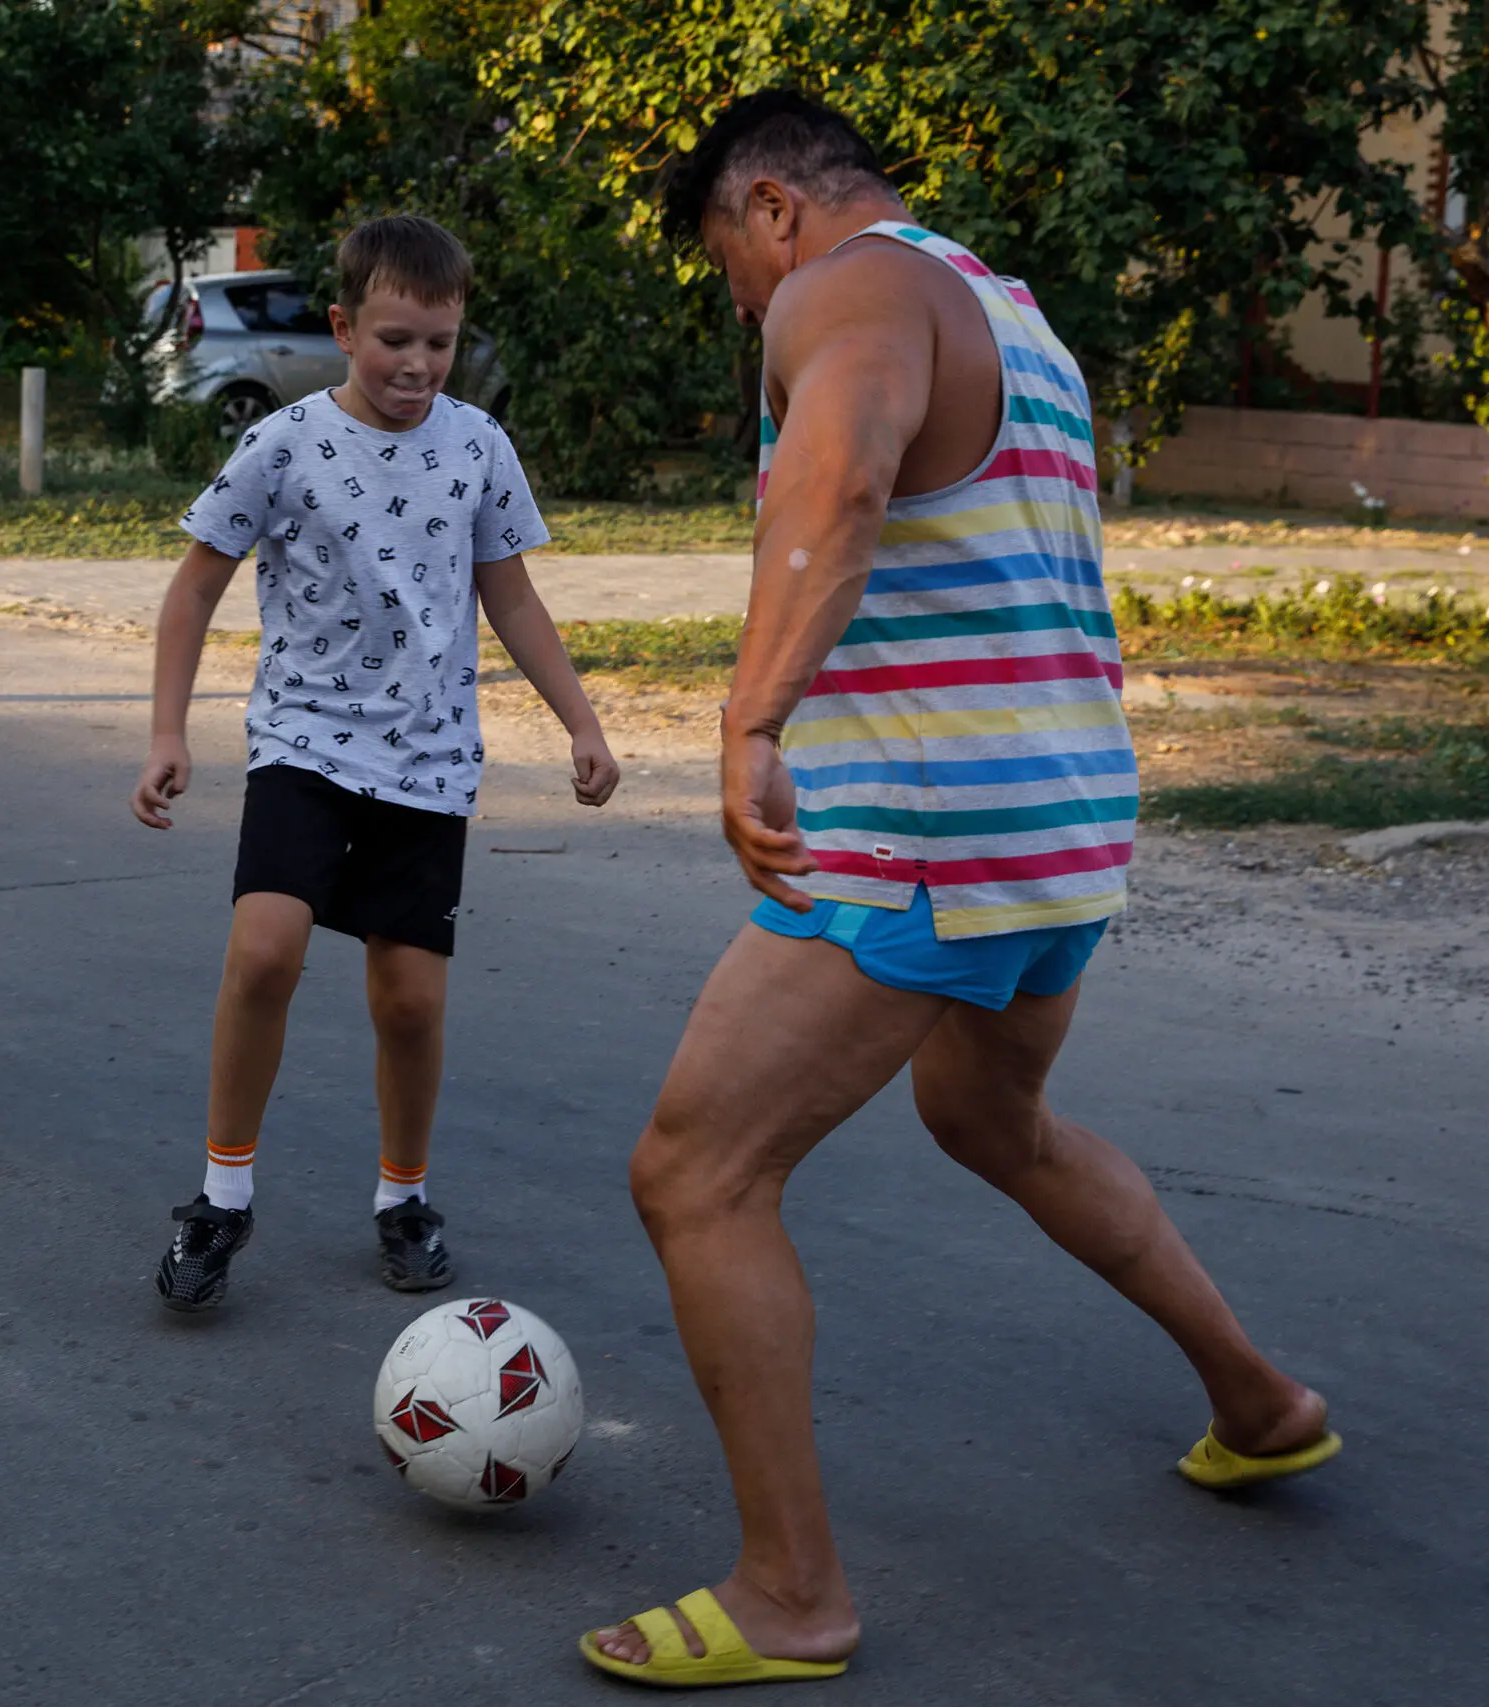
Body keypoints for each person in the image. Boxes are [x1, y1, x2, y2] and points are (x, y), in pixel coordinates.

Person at [577, 92, 1339, 1689]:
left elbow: (839, 486)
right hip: (1060, 817)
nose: (742, 304)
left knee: (695, 1174)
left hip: (928, 819)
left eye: (726, 259)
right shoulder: (1006, 305)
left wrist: (751, 719)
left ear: (771, 206)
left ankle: (791, 1593)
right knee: (995, 1120)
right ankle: (1264, 1404)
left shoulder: (837, 290)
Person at [132, 214, 620, 1311]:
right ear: (345, 327)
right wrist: (168, 732)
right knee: (266, 950)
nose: (418, 365)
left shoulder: (478, 446)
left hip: (429, 757)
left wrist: (581, 722)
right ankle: (221, 1196)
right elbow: (194, 589)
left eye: (439, 343)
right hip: (303, 739)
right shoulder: (285, 442)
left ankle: (404, 1197)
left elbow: (513, 597)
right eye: (396, 339)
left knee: (407, 1002)